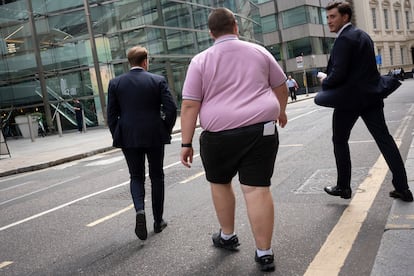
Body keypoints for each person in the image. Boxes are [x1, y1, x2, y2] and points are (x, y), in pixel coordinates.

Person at [180, 8, 288, 272]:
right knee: (257, 189)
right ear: (236, 26)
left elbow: (189, 106)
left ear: (210, 33)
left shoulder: (200, 60)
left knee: (220, 184)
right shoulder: (259, 52)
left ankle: (227, 236)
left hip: (218, 137)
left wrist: (186, 143)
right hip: (260, 131)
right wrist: (281, 111)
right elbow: (281, 87)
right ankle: (264, 253)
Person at [318, 1, 413, 202]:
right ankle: (403, 188)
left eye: (332, 17)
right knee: (385, 140)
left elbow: (338, 75)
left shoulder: (344, 39)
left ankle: (343, 187)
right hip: (371, 97)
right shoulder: (363, 36)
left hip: (349, 101)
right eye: (327, 18)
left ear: (345, 17)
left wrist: (324, 79)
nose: (329, 21)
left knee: (339, 140)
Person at [107, 46, 177, 240]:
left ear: (130, 62)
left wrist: (119, 134)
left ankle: (140, 210)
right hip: (154, 134)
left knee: (136, 176)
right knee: (157, 176)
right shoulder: (157, 80)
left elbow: (111, 115)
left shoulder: (115, 83)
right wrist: (165, 128)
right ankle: (158, 220)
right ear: (145, 61)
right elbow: (171, 109)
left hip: (129, 136)